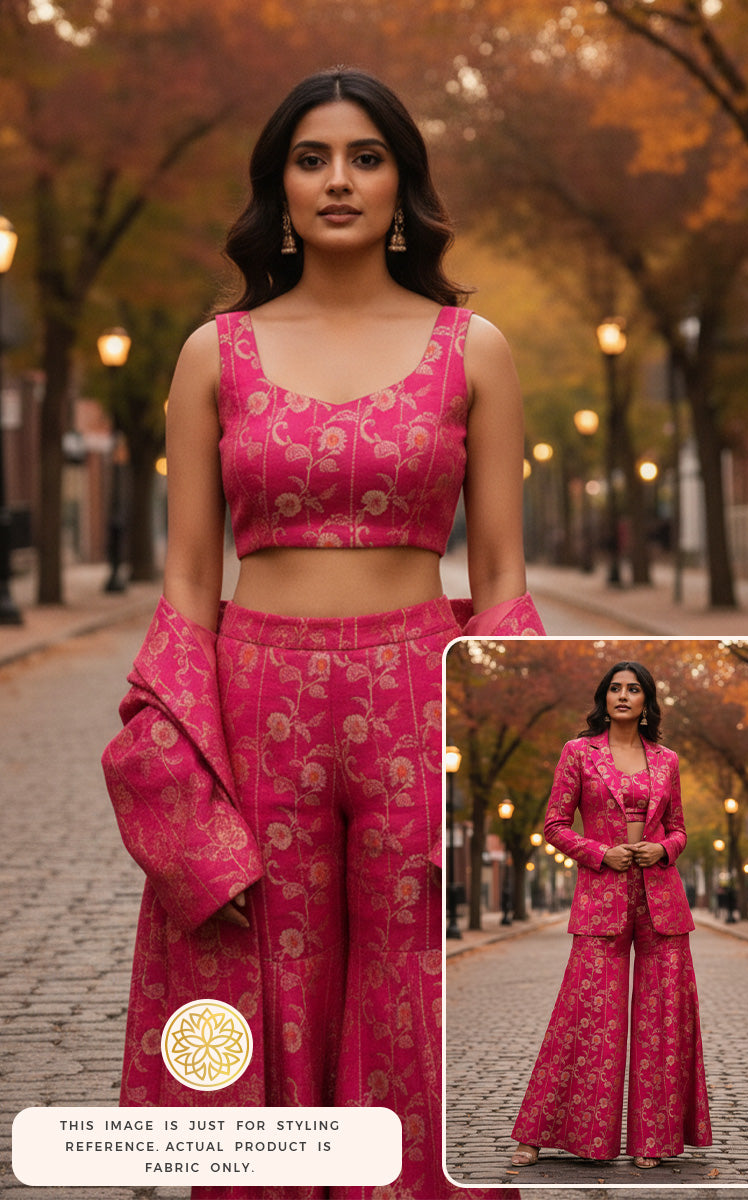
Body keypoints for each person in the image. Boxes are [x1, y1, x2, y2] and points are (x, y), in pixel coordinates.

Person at [102, 66, 544, 1200]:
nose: (337, 179)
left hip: (413, 695)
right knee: (265, 977)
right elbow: (189, 580)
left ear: (402, 183)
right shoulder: (216, 353)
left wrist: (510, 724)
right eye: (311, 159)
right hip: (255, 702)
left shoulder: (471, 347)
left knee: (406, 983)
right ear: (279, 190)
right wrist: (177, 761)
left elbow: (496, 573)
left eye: (363, 156)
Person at [509, 662, 711, 1171]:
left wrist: (662, 850)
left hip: (662, 902)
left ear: (646, 702)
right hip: (602, 898)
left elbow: (681, 829)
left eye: (634, 689)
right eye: (616, 688)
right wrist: (602, 854)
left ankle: (656, 1139)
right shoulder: (578, 753)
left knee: (663, 1020)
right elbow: (554, 824)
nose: (624, 695)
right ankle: (555, 1136)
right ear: (605, 698)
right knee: (586, 1016)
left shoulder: (667, 760)